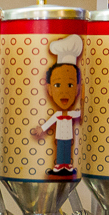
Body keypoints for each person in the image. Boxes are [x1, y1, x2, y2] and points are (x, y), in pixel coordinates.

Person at [32, 34, 82, 178]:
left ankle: (67, 165)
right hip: (60, 135)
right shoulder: (58, 115)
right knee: (61, 148)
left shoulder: (72, 113)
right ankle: (60, 165)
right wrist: (41, 129)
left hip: (69, 135)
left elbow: (80, 114)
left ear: (78, 88)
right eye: (58, 85)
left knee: (67, 147)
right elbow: (50, 122)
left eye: (70, 85)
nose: (64, 91)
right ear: (49, 88)